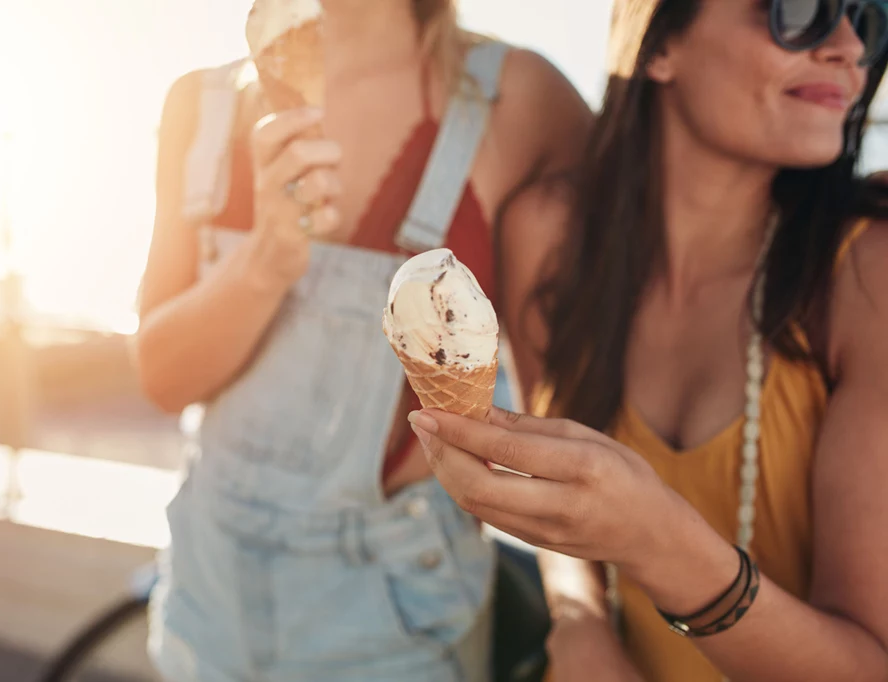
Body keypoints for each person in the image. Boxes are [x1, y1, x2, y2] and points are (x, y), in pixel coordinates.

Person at [408, 0, 888, 681]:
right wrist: (578, 625)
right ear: (658, 44)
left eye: (870, 19)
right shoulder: (548, 237)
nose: (848, 48)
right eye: (798, 10)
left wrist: (659, 544)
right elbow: (549, 477)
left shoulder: (867, 274)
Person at [133, 1, 591, 679]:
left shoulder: (518, 100)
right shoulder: (198, 105)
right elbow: (161, 378)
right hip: (207, 602)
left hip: (401, 616)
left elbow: (583, 391)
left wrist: (585, 622)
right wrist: (265, 262)